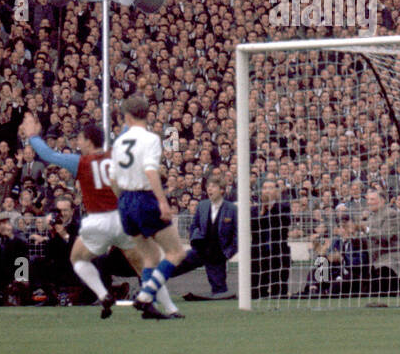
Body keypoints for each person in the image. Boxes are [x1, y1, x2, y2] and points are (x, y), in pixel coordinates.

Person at [19, 111, 145, 318]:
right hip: (120, 219)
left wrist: (33, 136)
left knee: (78, 259)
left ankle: (104, 294)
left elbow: (49, 155)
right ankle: (154, 299)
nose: (77, 142)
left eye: (80, 139)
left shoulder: (81, 162)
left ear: (88, 141)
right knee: (140, 262)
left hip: (98, 220)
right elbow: (126, 138)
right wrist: (127, 124)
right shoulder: (114, 154)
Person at [108, 93, 187, 319]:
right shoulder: (150, 139)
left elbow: (112, 177)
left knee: (150, 256)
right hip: (144, 198)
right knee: (176, 252)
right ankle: (145, 295)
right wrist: (162, 201)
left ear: (127, 117)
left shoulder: (119, 141)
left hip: (125, 200)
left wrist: (122, 201)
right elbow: (150, 170)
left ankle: (150, 305)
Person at [173, 171, 237, 300]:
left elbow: (238, 235)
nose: (209, 189)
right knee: (173, 266)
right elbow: (194, 226)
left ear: (222, 190)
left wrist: (227, 253)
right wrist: (195, 241)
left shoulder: (231, 209)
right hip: (200, 249)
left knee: (219, 290)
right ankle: (151, 285)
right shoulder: (202, 205)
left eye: (213, 187)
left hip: (218, 254)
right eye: (208, 187)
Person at [249, 176, 292, 298]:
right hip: (259, 254)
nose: (267, 191)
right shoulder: (254, 210)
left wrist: (270, 208)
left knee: (279, 292)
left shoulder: (283, 208)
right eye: (264, 188)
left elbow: (284, 224)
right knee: (256, 292)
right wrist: (262, 210)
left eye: (270, 188)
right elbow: (253, 228)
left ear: (276, 192)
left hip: (278, 253)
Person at [364, 188, 400, 295]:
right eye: (368, 199)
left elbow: (386, 236)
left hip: (393, 255)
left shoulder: (391, 214)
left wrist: (366, 230)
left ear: (382, 200)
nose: (369, 202)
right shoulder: (370, 217)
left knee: (382, 276)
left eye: (372, 199)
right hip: (376, 258)